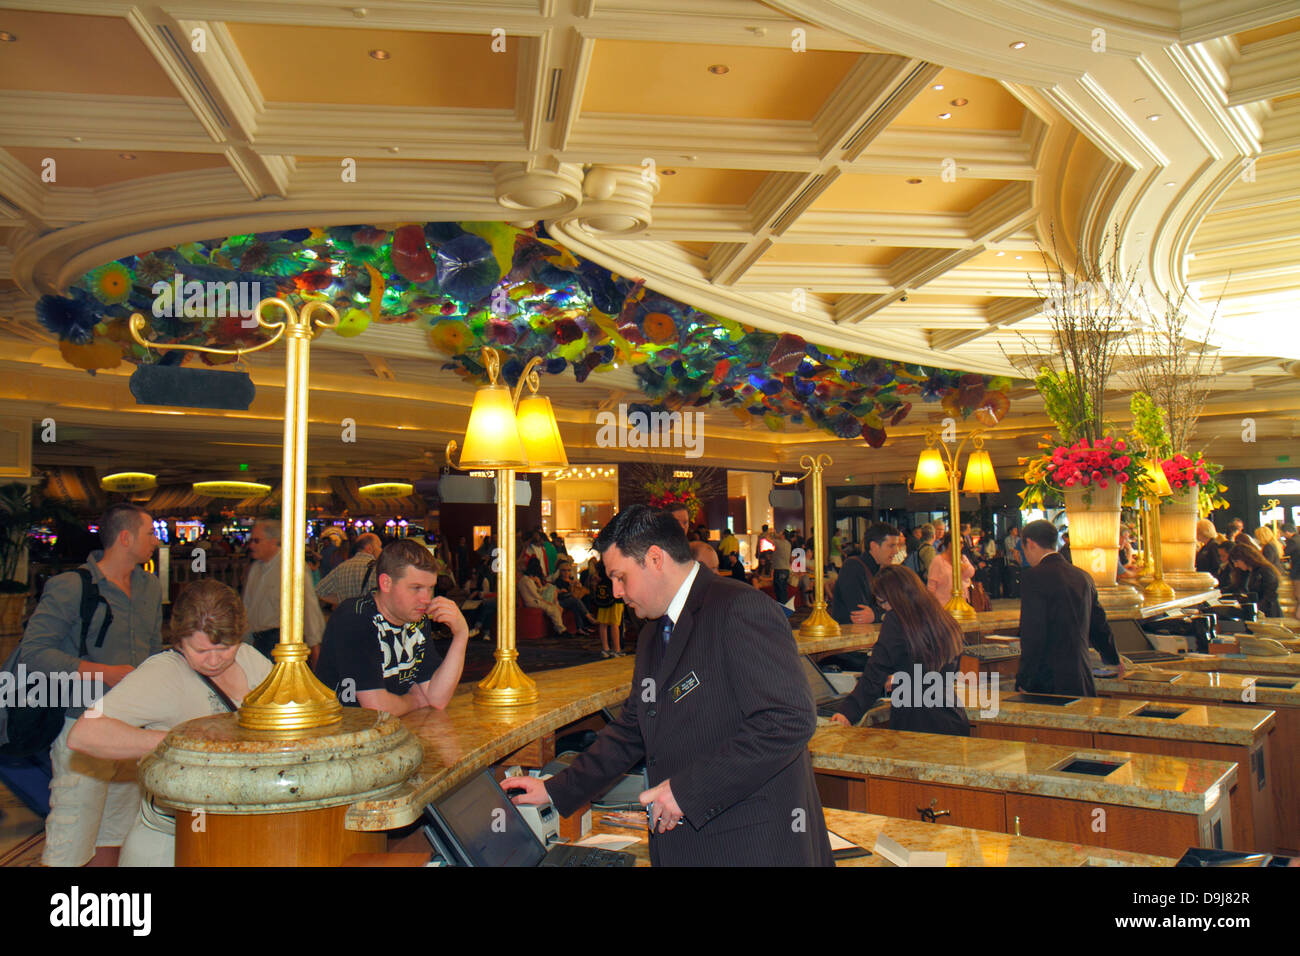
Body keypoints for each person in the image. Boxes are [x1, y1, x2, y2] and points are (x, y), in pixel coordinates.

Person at [502, 505, 833, 866]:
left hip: (753, 844)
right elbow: (634, 728)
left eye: (620, 577)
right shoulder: (651, 634)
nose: (614, 591)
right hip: (691, 844)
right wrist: (556, 788)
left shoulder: (739, 608)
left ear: (655, 559)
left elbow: (788, 720)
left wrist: (687, 791)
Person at [67, 580, 271, 866]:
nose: (214, 660)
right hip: (170, 844)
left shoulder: (251, 660)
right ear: (178, 640)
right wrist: (181, 742)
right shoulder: (163, 673)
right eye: (199, 651)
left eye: (225, 647)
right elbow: (84, 734)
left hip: (237, 834)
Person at [19, 502, 163, 867]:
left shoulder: (148, 587)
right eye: (150, 533)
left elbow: (153, 651)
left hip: (131, 727)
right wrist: (103, 672)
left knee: (119, 830)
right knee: (73, 829)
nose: (156, 541)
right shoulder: (70, 587)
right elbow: (34, 654)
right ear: (126, 537)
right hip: (80, 724)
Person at [314, 539, 469, 713]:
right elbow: (375, 708)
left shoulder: (416, 619)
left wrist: (461, 634)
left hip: (388, 732)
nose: (426, 599)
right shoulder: (355, 617)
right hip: (343, 732)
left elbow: (437, 699)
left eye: (430, 588)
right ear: (386, 583)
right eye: (416, 588)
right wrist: (414, 701)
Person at [828, 565, 970, 735]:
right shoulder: (943, 617)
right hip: (952, 717)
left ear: (896, 597)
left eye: (883, 602)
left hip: (917, 723)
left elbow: (875, 672)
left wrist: (847, 712)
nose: (885, 608)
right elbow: (944, 672)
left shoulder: (895, 620)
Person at [1016, 519, 1122, 696]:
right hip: (1081, 675)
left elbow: (1033, 634)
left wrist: (1025, 680)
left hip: (1047, 681)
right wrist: (1113, 659)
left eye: (1024, 549)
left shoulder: (1033, 578)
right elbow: (1099, 625)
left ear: (1030, 543)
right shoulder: (1082, 576)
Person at [242, 519, 324, 660]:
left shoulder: (291, 567)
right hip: (258, 642)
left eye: (256, 541)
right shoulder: (256, 569)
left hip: (279, 642)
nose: (251, 545)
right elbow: (247, 608)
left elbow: (308, 607)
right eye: (251, 540)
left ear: (273, 541)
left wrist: (315, 646)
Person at [829, 523, 903, 626]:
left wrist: (876, 614)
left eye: (897, 546)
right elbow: (860, 614)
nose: (896, 551)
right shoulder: (853, 567)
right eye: (891, 546)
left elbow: (901, 607)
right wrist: (881, 614)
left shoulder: (882, 570)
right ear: (874, 546)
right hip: (850, 637)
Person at [315, 532, 383, 608]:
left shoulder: (342, 567)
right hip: (370, 617)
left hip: (347, 617)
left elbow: (320, 591)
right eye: (379, 546)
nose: (381, 550)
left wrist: (342, 601)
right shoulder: (378, 569)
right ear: (369, 549)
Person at [1227, 541, 1282, 618]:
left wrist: (1257, 609)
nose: (1236, 565)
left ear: (1245, 558)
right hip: (1258, 611)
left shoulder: (1265, 570)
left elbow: (1271, 594)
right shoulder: (1248, 572)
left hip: (1269, 612)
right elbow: (1236, 587)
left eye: (1236, 561)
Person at [589, 558, 625, 658]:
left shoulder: (601, 564)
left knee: (603, 623)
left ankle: (606, 648)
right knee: (615, 623)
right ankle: (617, 649)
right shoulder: (616, 562)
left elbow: (596, 578)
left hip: (603, 595)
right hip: (615, 595)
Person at [927, 533, 976, 604]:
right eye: (960, 543)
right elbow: (931, 586)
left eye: (963, 543)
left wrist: (964, 567)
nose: (962, 545)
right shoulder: (938, 561)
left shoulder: (962, 558)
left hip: (962, 603)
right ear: (950, 544)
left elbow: (971, 573)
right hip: (943, 604)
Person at [771, 529, 793, 605]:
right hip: (786, 570)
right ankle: (785, 607)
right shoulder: (788, 544)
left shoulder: (779, 542)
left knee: (779, 590)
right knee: (784, 589)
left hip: (779, 569)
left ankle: (781, 608)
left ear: (783, 535)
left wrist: (773, 533)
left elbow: (768, 539)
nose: (779, 533)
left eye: (780, 533)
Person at [1282, 524, 1300, 609]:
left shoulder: (1293, 541)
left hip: (1297, 571)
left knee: (1297, 594)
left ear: (1287, 532)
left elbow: (1285, 552)